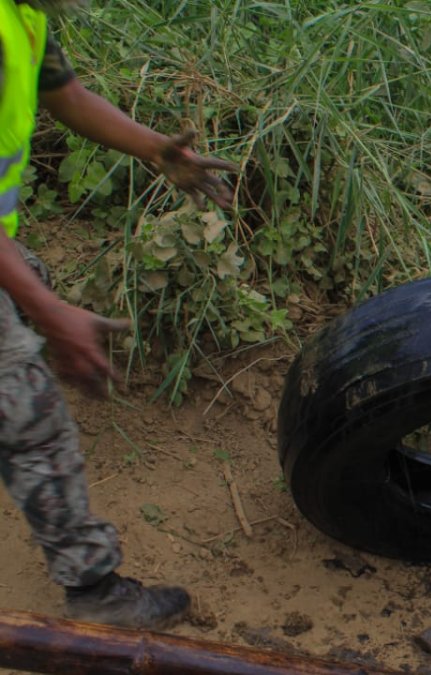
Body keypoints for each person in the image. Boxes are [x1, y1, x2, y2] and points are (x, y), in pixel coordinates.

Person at [1, 0, 236, 629]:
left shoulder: (23, 17)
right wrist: (49, 313)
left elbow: (64, 91)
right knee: (30, 413)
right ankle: (97, 594)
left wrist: (155, 149)